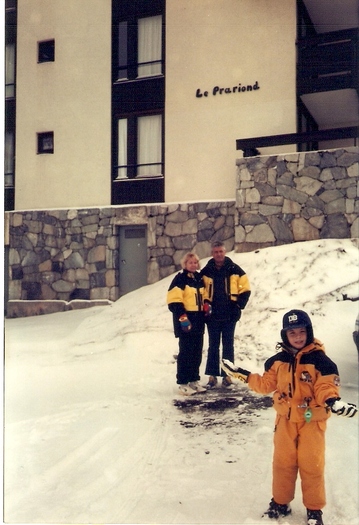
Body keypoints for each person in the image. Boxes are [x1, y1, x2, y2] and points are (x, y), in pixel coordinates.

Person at [221, 309, 357, 525]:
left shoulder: (322, 361)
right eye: (292, 333)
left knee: (311, 464)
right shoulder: (277, 361)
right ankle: (280, 502)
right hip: (285, 421)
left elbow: (326, 386)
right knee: (283, 463)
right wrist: (243, 375)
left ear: (309, 332)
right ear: (285, 335)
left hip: (312, 422)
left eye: (302, 332)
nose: (298, 337)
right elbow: (266, 385)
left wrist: (333, 401)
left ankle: (314, 510)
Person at [201, 240, 251, 388]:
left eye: (221, 251)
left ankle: (228, 376)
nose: (218, 254)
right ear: (212, 253)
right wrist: (204, 305)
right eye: (216, 252)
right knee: (213, 345)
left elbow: (246, 289)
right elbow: (199, 290)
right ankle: (212, 376)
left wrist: (238, 306)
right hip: (212, 315)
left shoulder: (235, 269)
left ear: (225, 252)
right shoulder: (206, 271)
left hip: (230, 314)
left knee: (228, 345)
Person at [167, 252, 207, 396]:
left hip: (198, 319)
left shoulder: (198, 279)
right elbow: (173, 301)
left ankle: (194, 380)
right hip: (186, 319)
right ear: (185, 264)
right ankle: (183, 382)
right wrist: (182, 317)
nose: (193, 265)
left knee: (197, 351)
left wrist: (207, 306)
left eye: (195, 262)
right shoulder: (180, 279)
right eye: (190, 263)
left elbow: (205, 296)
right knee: (186, 352)